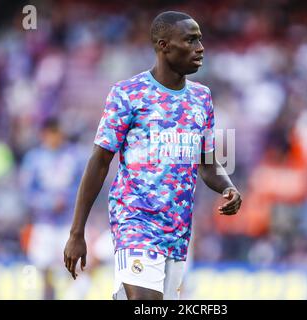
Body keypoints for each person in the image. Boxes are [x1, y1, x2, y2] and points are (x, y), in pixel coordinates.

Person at [64, 11, 242, 300]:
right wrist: (76, 232)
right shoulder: (128, 94)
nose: (201, 48)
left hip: (178, 231)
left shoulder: (202, 98)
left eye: (200, 39)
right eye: (191, 40)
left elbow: (206, 162)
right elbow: (99, 162)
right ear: (164, 45)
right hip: (135, 220)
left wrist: (227, 186)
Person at [20, 118, 85, 299]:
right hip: (44, 223)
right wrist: (48, 203)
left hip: (69, 224)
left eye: (58, 133)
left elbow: (85, 187)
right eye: (51, 134)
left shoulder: (75, 156)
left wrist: (67, 199)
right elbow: (27, 193)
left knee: (74, 267)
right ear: (44, 135)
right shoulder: (34, 159)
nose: (55, 138)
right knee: (40, 267)